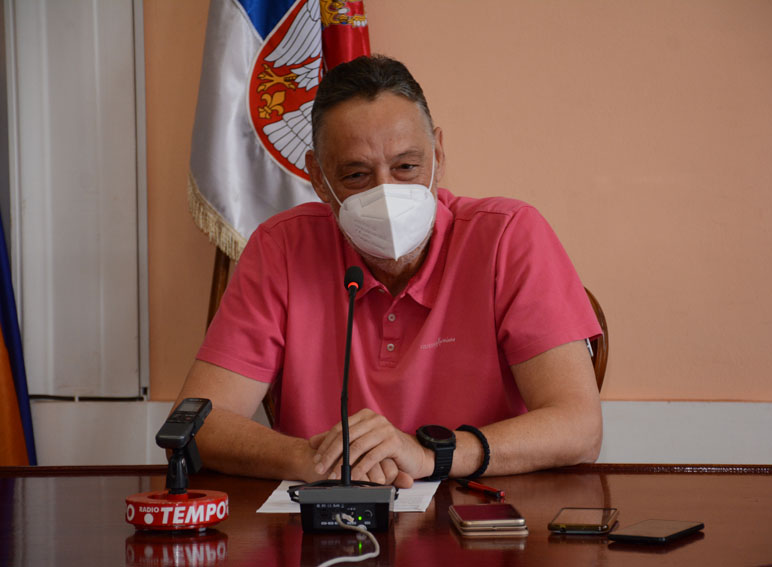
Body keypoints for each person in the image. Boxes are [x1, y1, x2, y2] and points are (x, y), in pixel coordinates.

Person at [173, 55, 602, 488]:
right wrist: (315, 459)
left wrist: (429, 454)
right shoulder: (281, 247)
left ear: (438, 155)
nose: (386, 192)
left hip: (481, 511)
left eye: (406, 167)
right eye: (357, 174)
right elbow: (196, 424)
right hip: (330, 513)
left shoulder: (509, 235)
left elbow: (579, 428)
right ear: (318, 178)